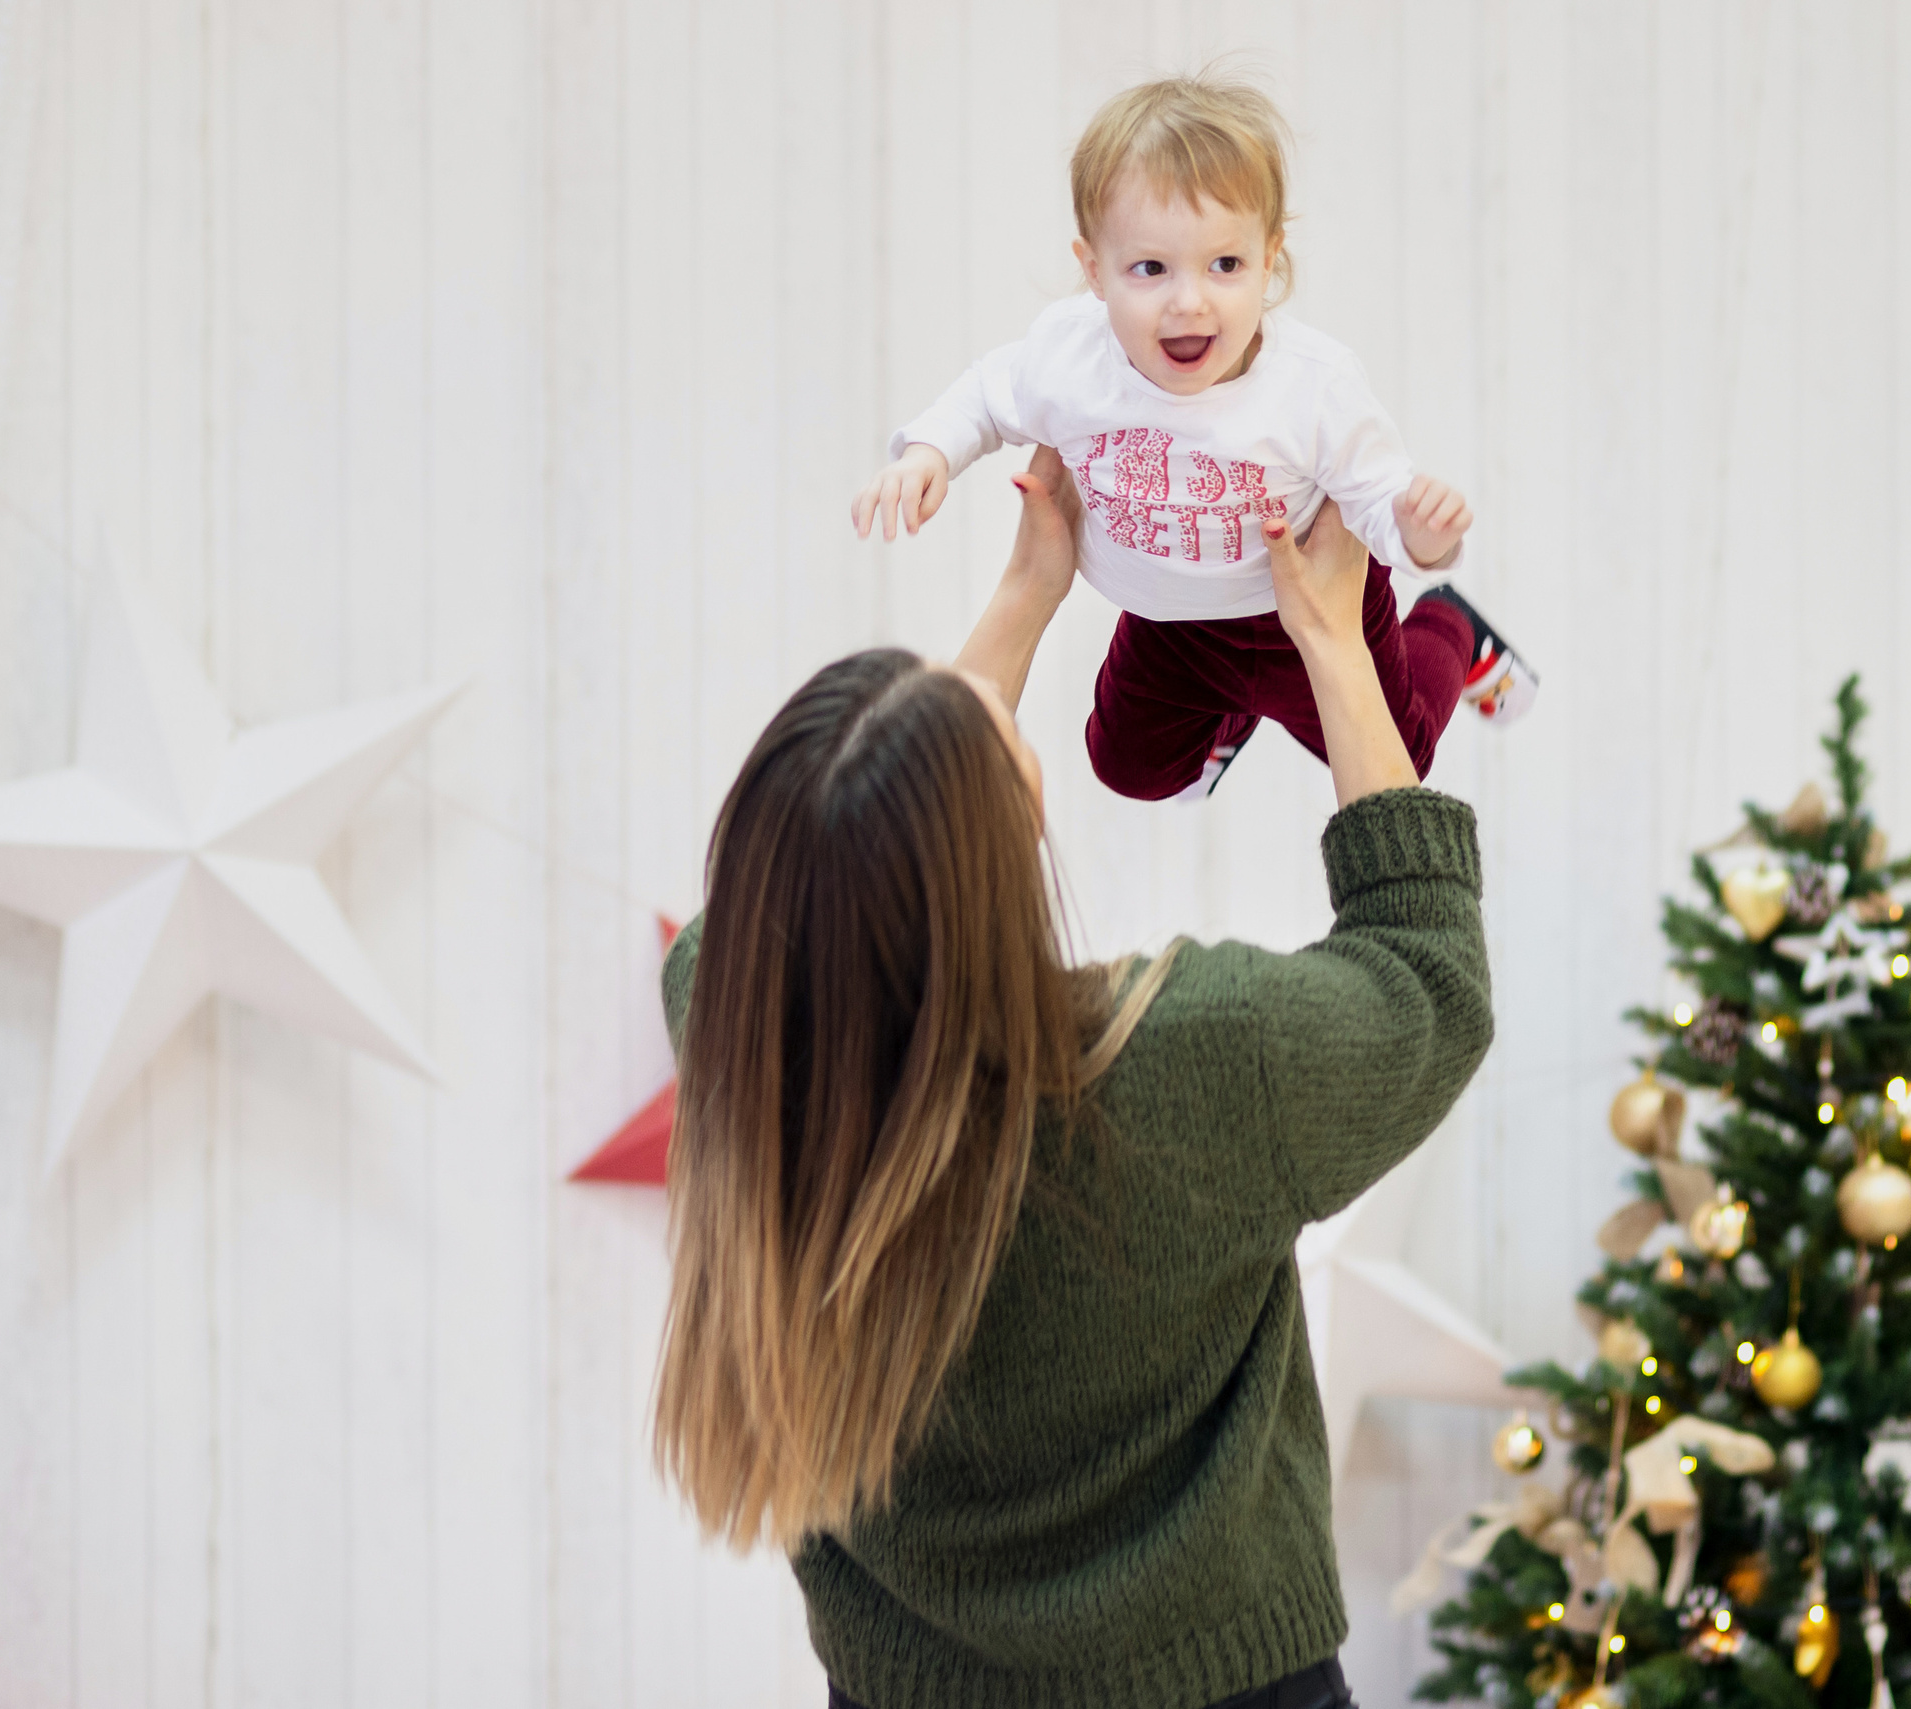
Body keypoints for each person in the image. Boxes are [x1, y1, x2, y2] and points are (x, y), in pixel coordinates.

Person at [653, 447, 1496, 1709]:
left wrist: (1028, 586)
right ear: (1016, 820)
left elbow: (825, 895)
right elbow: (1426, 976)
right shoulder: (1196, 1062)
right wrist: (1329, 638)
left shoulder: (742, 1030)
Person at [851, 72, 1536, 804]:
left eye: (1225, 265)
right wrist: (929, 451)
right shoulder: (1073, 361)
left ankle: (1449, 623)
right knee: (1127, 768)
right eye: (1150, 268)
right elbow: (989, 394)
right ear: (1094, 272)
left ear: (1269, 261)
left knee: (1400, 759)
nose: (1189, 300)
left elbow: (1379, 500)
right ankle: (1227, 716)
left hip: (1302, 606)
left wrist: (1422, 533)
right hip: (1168, 619)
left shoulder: (1312, 386)